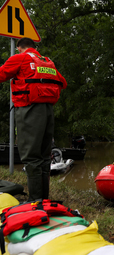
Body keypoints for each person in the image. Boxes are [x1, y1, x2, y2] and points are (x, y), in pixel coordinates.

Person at [0, 37, 67, 201]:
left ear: (19, 48)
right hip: (48, 111)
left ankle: (35, 201)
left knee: (31, 158)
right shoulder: (47, 62)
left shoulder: (20, 58)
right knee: (44, 157)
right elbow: (62, 83)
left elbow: (1, 75)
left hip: (29, 110)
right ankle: (43, 198)